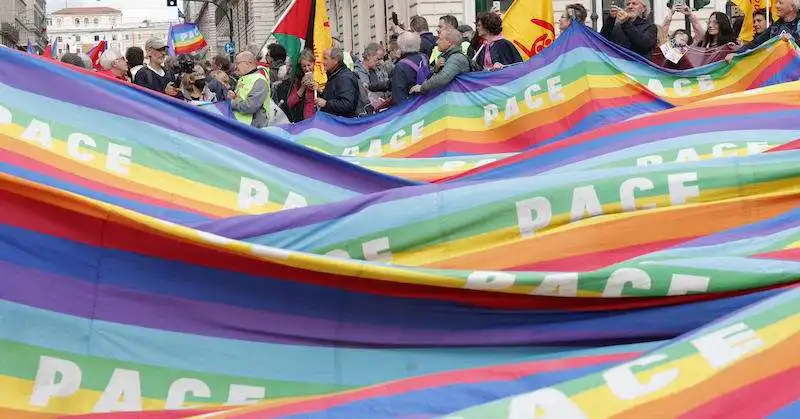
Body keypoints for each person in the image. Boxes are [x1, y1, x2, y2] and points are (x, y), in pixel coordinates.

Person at [728, 0, 800, 61]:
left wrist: (792, 42)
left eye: (780, 3)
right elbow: (757, 43)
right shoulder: (775, 26)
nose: (777, 6)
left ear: (792, 7)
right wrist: (738, 54)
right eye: (777, 2)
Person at [410, 28, 470, 95]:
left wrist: (422, 87)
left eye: (440, 39)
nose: (436, 42)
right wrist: (436, 68)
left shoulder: (456, 58)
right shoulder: (448, 56)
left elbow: (443, 77)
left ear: (449, 42)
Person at [228, 51, 271, 128]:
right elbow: (243, 97)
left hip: (252, 128)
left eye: (237, 63)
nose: (235, 67)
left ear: (248, 63)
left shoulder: (259, 80)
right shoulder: (245, 77)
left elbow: (250, 106)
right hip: (242, 125)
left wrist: (232, 103)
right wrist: (235, 96)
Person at [316, 47, 361, 117]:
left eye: (325, 58)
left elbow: (347, 104)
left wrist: (326, 104)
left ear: (335, 60)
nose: (322, 62)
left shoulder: (345, 78)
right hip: (335, 122)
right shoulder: (334, 74)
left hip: (341, 123)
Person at [392, 31, 429, 104]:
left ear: (401, 46)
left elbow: (399, 96)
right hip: (426, 101)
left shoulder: (400, 66)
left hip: (411, 105)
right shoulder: (424, 57)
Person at [284, 49, 318, 122]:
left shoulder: (322, 78)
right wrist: (302, 88)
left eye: (309, 65)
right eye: (304, 66)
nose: (307, 69)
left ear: (314, 63)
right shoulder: (298, 80)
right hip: (304, 119)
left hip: (319, 118)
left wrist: (317, 88)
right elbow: (290, 103)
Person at [355, 42, 391, 107]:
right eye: (378, 59)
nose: (380, 62)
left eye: (381, 59)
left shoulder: (378, 68)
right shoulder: (357, 72)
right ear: (368, 56)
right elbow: (367, 95)